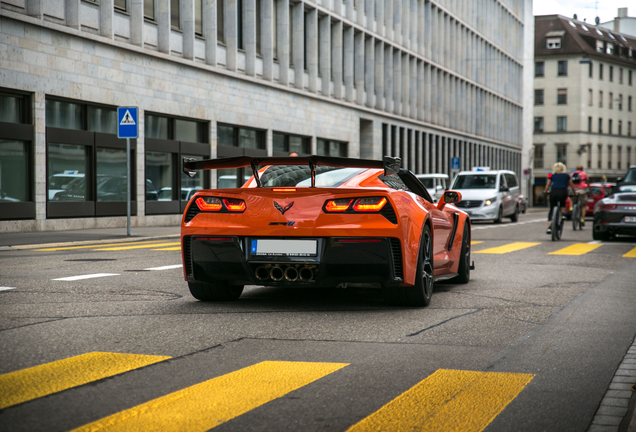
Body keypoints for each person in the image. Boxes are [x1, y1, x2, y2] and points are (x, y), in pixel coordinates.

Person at [543, 162, 575, 234]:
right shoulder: (566, 176)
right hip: (563, 192)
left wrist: (545, 191)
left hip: (554, 192)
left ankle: (549, 227)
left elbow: (548, 185)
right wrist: (574, 192)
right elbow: (571, 185)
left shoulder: (552, 176)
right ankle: (563, 215)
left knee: (551, 209)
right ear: (563, 168)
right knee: (562, 203)